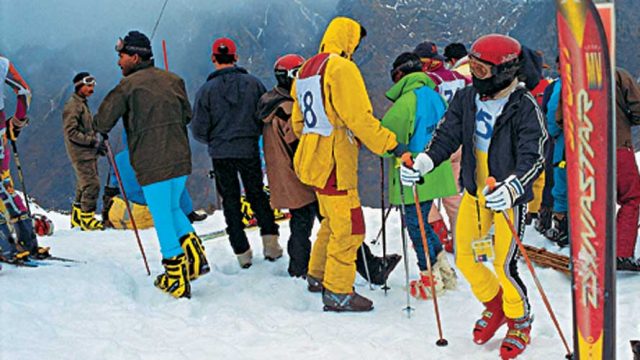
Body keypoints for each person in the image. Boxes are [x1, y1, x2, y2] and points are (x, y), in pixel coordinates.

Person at [401, 34, 547, 359]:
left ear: (505, 71)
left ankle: (520, 318)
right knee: (466, 258)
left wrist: (513, 186)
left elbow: (533, 155)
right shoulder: (468, 98)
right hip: (475, 190)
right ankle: (496, 305)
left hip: (506, 196)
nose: (474, 76)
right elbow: (447, 133)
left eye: (482, 70)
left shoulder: (523, 107)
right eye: (473, 67)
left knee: (504, 263)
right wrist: (424, 162)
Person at [256, 53, 401, 283]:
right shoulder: (288, 107)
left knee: (310, 223)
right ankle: (365, 269)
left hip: (285, 175)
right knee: (338, 224)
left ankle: (304, 269)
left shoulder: (269, 105)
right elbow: (302, 141)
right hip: (305, 173)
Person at [291, 17, 401, 312]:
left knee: (331, 222)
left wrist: (318, 141)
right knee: (350, 229)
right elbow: (359, 117)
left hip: (311, 160)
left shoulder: (305, 70)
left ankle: (316, 276)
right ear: (349, 39)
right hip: (335, 164)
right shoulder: (341, 68)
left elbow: (298, 123)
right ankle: (338, 291)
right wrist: (388, 143)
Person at [94, 31, 209, 299]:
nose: (119, 62)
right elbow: (187, 114)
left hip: (151, 162)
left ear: (135, 57)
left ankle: (175, 276)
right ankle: (195, 256)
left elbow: (102, 120)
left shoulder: (127, 87)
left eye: (121, 56)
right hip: (180, 159)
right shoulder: (174, 80)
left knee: (161, 217)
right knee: (172, 208)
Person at [191, 37, 281, 269]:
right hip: (248, 148)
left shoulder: (205, 91)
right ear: (235, 57)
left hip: (221, 153)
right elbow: (264, 115)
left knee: (230, 201)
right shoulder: (253, 84)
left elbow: (199, 129)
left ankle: (242, 253)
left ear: (213, 59)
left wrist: (214, 138)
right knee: (257, 195)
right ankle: (271, 245)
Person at [382, 52, 457, 299]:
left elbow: (387, 140)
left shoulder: (405, 103)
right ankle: (443, 271)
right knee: (422, 223)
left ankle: (429, 278)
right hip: (436, 169)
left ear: (400, 74)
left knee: (416, 225)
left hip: (413, 174)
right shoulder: (435, 97)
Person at [414, 41, 469, 252]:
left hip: (439, 141)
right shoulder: (460, 78)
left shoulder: (428, 81)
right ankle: (461, 238)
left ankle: (438, 234)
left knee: (424, 190)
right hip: (461, 141)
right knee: (453, 194)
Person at [0, 54, 49, 260]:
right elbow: (24, 90)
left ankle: (5, 247)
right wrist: (17, 122)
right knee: (5, 184)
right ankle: (27, 241)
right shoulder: (2, 63)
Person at [102, 134, 207, 230]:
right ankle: (188, 214)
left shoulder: (119, 159)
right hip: (154, 209)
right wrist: (188, 213)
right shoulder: (155, 155)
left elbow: (116, 183)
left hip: (132, 210)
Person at [62, 72, 105, 231]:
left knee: (82, 185)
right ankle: (87, 219)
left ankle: (77, 218)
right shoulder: (73, 106)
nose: (91, 89)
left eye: (93, 85)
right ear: (79, 85)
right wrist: (93, 142)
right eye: (88, 85)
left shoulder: (81, 103)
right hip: (81, 154)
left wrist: (96, 145)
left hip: (86, 152)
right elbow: (71, 132)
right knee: (92, 185)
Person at [614, 68, 640, 271]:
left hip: (584, 149)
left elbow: (559, 118)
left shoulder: (574, 75)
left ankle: (592, 250)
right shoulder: (619, 75)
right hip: (617, 144)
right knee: (631, 198)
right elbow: (638, 107)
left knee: (593, 200)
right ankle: (621, 253)